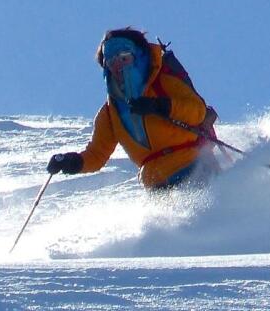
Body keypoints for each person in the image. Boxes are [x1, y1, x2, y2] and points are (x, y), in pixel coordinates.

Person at [47, 27, 219, 189]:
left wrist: (159, 106)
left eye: (124, 57)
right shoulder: (110, 112)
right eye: (111, 61)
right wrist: (72, 162)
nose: (118, 66)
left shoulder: (163, 82)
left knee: (211, 217)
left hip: (194, 165)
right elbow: (97, 155)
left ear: (139, 57)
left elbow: (197, 111)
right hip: (157, 183)